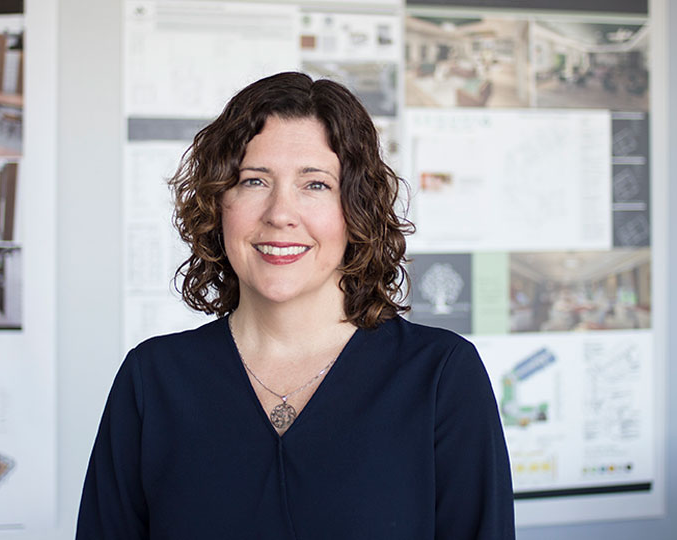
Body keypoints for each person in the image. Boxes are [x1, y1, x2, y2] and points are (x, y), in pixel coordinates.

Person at [77, 72, 514, 539]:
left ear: (356, 207)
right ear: (218, 202)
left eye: (315, 185)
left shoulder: (440, 376)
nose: (280, 213)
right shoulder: (153, 380)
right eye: (253, 181)